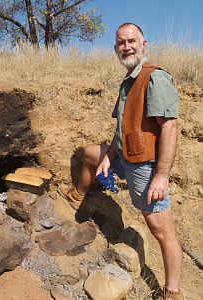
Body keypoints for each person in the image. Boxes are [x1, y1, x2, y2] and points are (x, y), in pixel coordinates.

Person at [58, 23, 182, 300]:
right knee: (91, 153)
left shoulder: (154, 78)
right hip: (124, 158)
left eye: (131, 41)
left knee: (162, 232)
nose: (126, 46)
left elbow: (169, 127)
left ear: (144, 44)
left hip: (146, 168)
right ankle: (77, 195)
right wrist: (108, 159)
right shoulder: (128, 81)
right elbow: (121, 131)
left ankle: (172, 292)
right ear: (116, 48)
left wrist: (161, 176)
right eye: (121, 43)